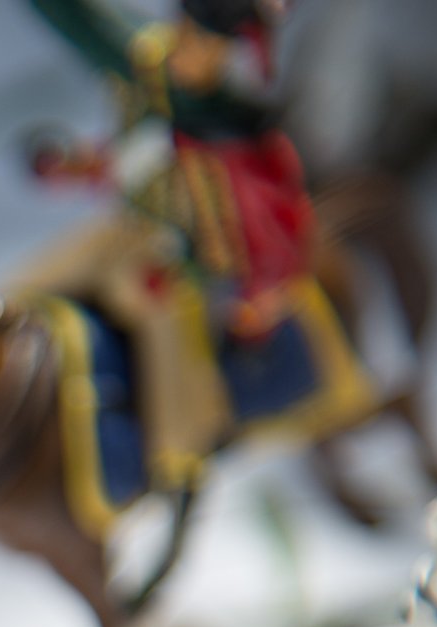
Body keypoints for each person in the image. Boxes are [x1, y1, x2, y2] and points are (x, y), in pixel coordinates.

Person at [17, 0, 311, 487]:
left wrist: (255, 289)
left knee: (156, 315)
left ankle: (176, 461)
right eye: (192, 38)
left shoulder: (234, 122)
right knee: (30, 287)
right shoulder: (145, 65)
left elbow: (271, 218)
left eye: (211, 48)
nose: (194, 56)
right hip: (127, 227)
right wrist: (83, 168)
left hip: (188, 263)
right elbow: (132, 156)